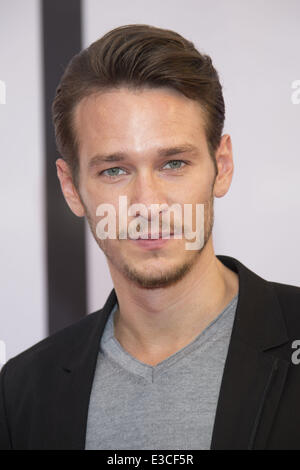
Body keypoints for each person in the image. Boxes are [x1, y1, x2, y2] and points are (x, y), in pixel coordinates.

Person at [1, 24, 300, 450]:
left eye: (173, 163)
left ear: (223, 165)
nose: (147, 203)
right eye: (114, 171)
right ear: (71, 189)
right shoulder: (23, 391)